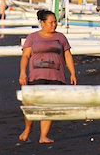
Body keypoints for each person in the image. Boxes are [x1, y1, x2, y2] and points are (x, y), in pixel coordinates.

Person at [18, 9, 77, 144]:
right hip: (36, 75)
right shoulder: (32, 38)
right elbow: (26, 56)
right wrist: (22, 72)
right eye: (51, 22)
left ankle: (43, 136)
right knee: (31, 104)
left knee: (50, 106)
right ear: (42, 23)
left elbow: (67, 56)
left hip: (56, 76)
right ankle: (28, 129)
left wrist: (73, 73)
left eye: (55, 22)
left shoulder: (61, 37)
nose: (54, 25)